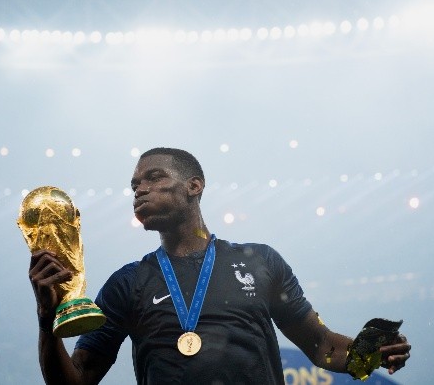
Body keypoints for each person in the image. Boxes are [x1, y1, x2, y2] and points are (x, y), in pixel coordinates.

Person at [28, 147, 411, 384]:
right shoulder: (127, 284)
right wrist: (47, 322)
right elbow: (76, 381)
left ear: (195, 186)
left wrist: (370, 351)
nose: (139, 189)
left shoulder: (259, 262)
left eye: (153, 177)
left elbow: (322, 346)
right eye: (134, 186)